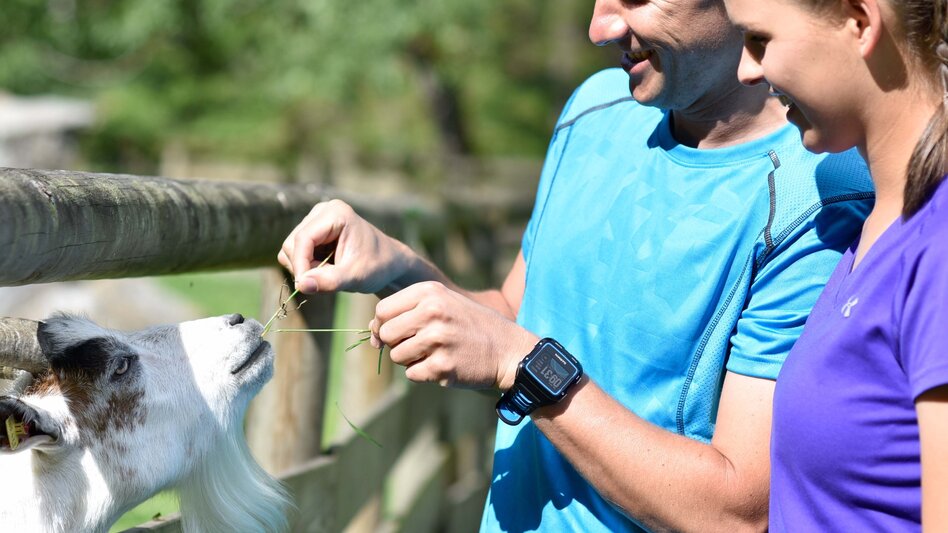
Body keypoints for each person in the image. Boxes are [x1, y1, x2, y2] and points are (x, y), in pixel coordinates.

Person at [279, 1, 874, 530]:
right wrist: (395, 266)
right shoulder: (596, 106)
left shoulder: (820, 199)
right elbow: (515, 317)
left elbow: (737, 512)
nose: (600, 27)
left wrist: (525, 368)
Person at [724, 0, 948, 529]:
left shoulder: (937, 248)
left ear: (860, 21)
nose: (745, 71)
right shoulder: (876, 224)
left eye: (760, 40)